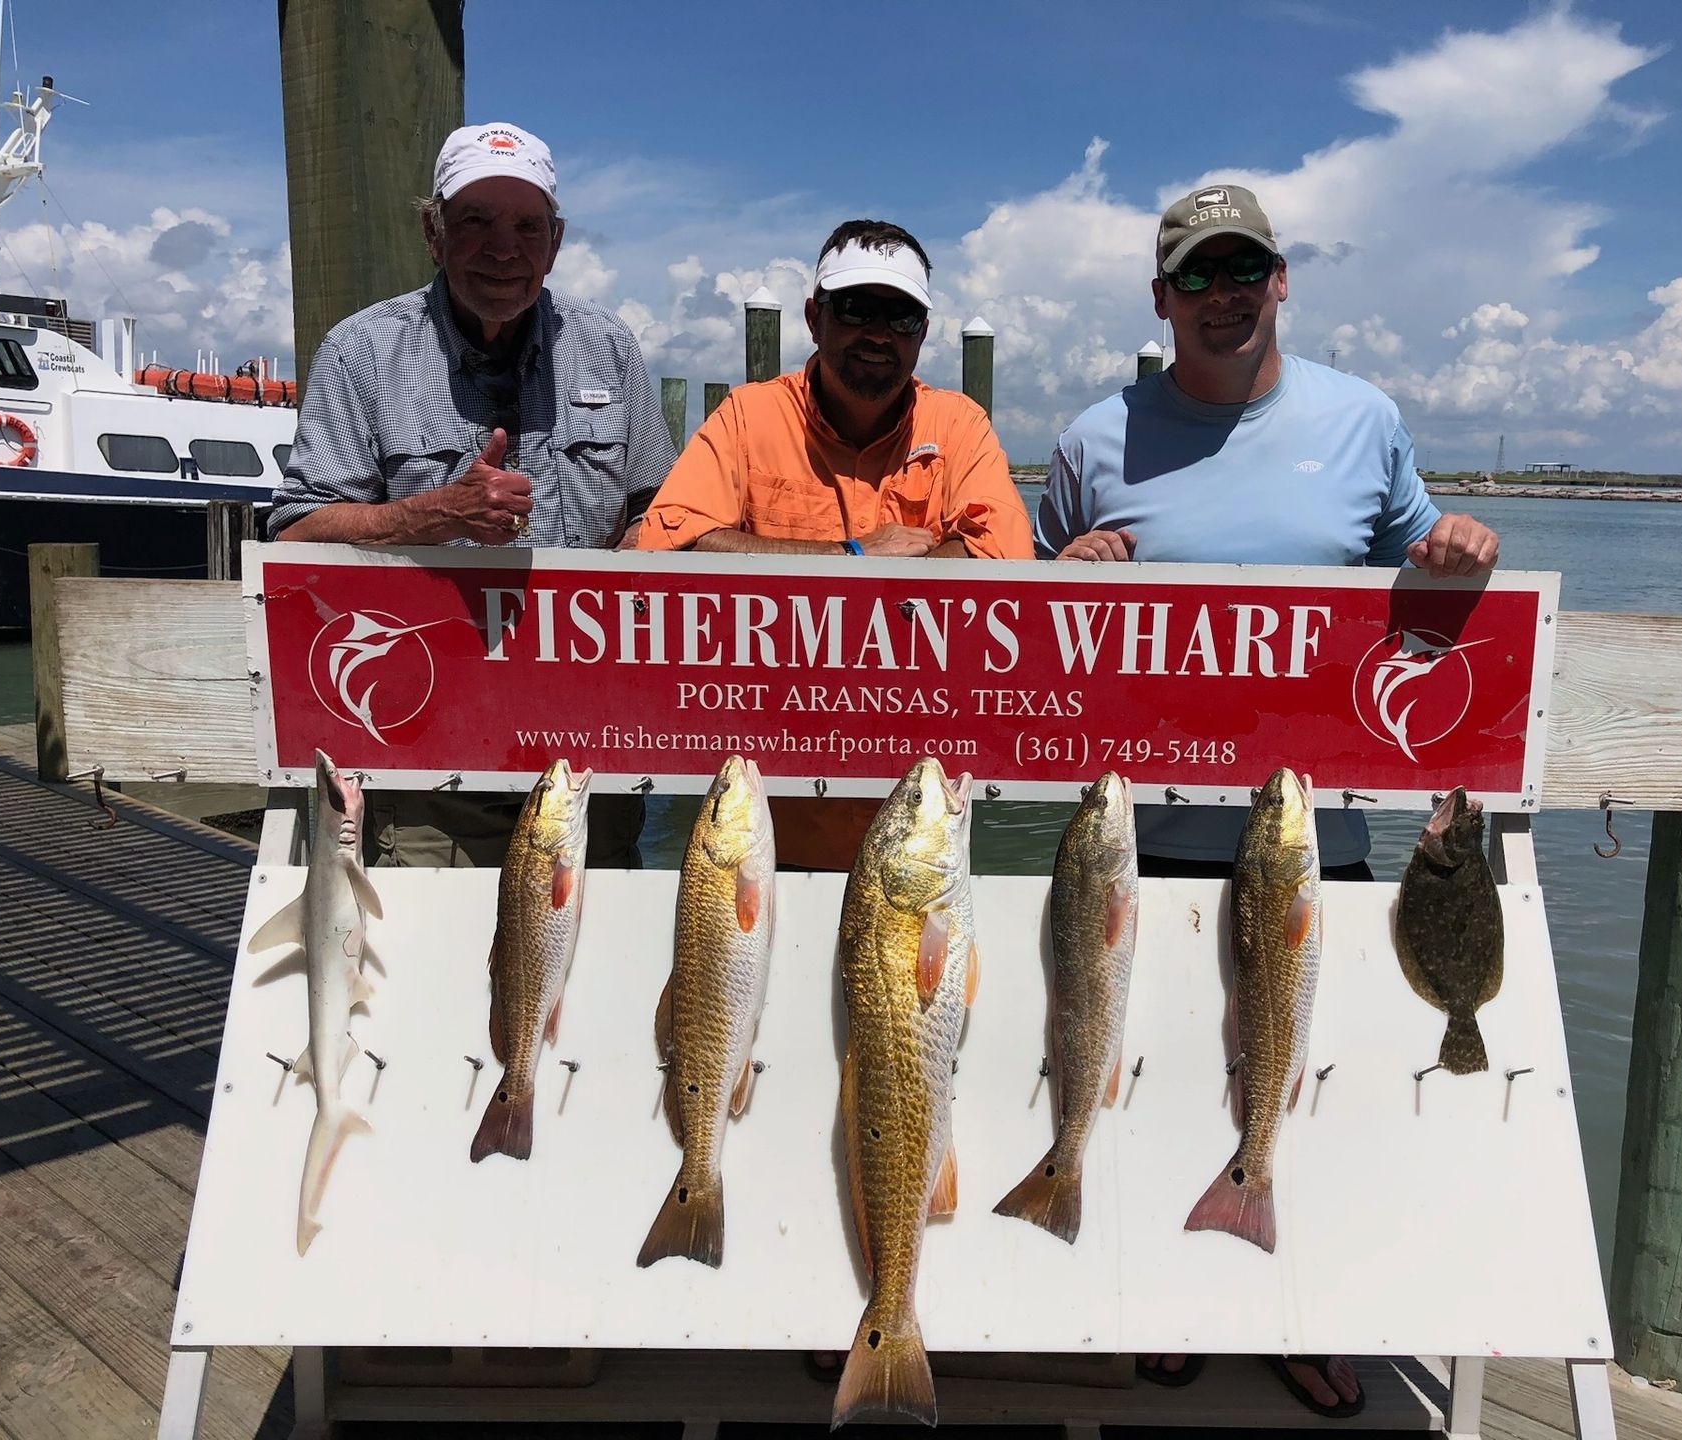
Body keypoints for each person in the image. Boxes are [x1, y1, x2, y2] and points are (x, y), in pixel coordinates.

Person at [1035, 183, 1500, 1419]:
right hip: (1144, 847)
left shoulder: (1365, 418)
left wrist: (1455, 557)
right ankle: (1176, 1303)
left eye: (1245, 269)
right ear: (1160, 299)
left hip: (1311, 842)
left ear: (1282, 279)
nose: (1224, 294)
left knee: (1314, 1081)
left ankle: (1312, 1310)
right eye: (1197, 275)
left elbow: (1421, 584)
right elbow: (1030, 650)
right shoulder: (1092, 440)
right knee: (1160, 1074)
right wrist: (1063, 570)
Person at [269, 121, 677, 866]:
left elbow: (662, 515)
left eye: (527, 226)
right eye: (476, 222)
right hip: (425, 763)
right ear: (434, 232)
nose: (503, 248)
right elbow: (294, 537)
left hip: (586, 760)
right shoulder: (362, 349)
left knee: (587, 971)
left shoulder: (610, 346)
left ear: (554, 241)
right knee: (423, 971)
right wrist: (429, 515)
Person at [638, 218, 1033, 870]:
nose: (878, 333)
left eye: (901, 316)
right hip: (758, 829)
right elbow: (668, 543)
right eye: (856, 309)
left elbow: (1006, 562)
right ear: (814, 316)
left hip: (922, 826)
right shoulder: (748, 416)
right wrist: (851, 558)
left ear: (923, 332)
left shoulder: (959, 424)